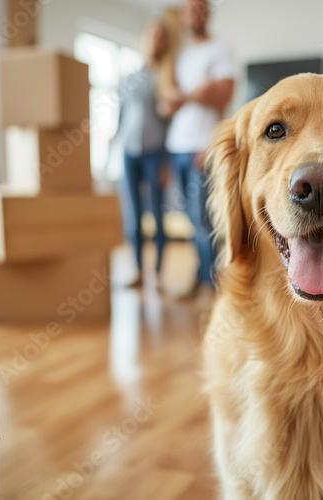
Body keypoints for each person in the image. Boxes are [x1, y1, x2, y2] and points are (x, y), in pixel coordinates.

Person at [159, 0, 237, 296]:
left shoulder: (219, 51)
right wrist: (199, 92)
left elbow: (223, 94)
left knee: (204, 219)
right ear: (183, 16)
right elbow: (166, 105)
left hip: (200, 148)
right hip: (176, 147)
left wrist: (210, 144)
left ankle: (213, 283)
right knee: (191, 220)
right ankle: (203, 276)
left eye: (201, 8)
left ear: (208, 13)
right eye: (190, 9)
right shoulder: (179, 56)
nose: (195, 14)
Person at [115, 20, 176, 288]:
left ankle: (160, 273)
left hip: (155, 152)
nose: (155, 40)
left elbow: (170, 122)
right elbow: (122, 115)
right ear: (145, 39)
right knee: (133, 214)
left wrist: (167, 163)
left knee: (156, 214)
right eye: (152, 35)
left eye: (160, 36)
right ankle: (138, 270)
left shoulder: (167, 76)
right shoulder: (129, 77)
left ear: (164, 42)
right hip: (129, 152)